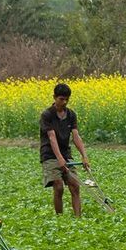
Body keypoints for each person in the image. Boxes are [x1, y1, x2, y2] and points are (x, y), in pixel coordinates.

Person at [40, 82, 90, 216]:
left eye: (67, 99)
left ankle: (78, 218)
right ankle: (59, 219)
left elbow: (75, 136)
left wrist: (84, 156)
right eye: (61, 99)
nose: (64, 102)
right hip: (50, 155)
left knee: (75, 186)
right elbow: (52, 138)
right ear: (54, 97)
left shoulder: (71, 114)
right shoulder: (47, 115)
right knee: (58, 186)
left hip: (65, 154)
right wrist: (60, 160)